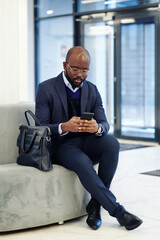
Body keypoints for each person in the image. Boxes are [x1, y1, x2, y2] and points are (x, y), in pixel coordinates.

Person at [35, 46, 143, 231]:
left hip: (86, 141)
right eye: (75, 69)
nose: (79, 74)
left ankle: (95, 204)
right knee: (83, 162)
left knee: (111, 143)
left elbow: (105, 124)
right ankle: (118, 212)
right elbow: (40, 127)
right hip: (62, 146)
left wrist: (98, 127)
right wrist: (63, 127)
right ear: (64, 65)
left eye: (84, 70)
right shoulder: (46, 88)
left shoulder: (92, 90)